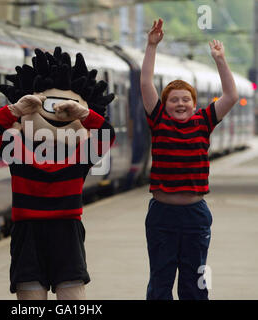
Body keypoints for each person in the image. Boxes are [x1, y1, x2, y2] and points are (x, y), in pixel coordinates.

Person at [0, 47, 115, 300]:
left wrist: (82, 112)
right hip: (32, 231)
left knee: (70, 295)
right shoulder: (21, 149)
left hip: (63, 230)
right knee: (38, 295)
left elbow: (106, 135)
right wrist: (17, 109)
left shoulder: (73, 154)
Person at [140, 18, 239, 300]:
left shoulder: (204, 121)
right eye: (174, 99)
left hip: (195, 215)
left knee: (194, 283)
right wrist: (151, 46)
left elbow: (231, 96)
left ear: (195, 105)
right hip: (161, 215)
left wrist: (220, 60)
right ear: (165, 103)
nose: (180, 103)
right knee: (160, 281)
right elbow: (146, 82)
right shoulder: (158, 120)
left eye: (186, 99)